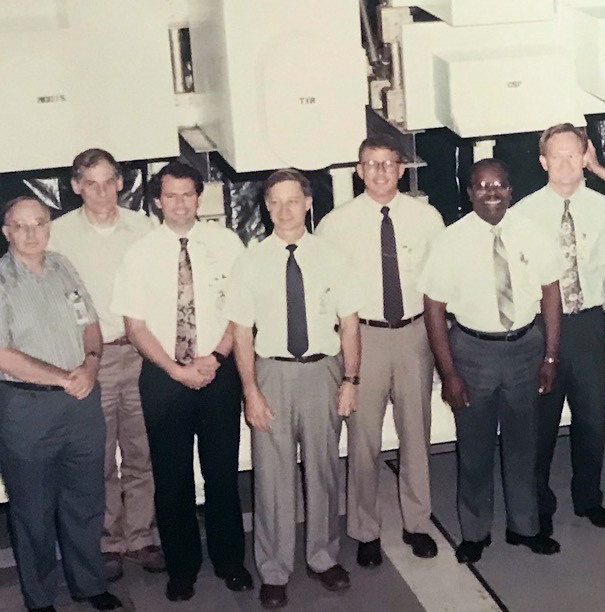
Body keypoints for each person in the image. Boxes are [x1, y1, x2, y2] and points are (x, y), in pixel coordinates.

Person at [0, 196, 123, 612]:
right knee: (33, 512)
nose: (32, 233)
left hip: (81, 403)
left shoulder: (62, 268)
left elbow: (91, 325)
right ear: (6, 232)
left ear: (49, 225)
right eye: (21, 226)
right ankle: (39, 598)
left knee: (86, 501)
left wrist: (90, 365)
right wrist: (64, 378)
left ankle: (89, 584)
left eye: (39, 223)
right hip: (25, 410)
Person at [111, 161, 252, 603]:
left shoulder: (227, 244)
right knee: (172, 479)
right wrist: (175, 370)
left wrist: (216, 357)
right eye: (169, 196)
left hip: (217, 370)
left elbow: (240, 309)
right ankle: (183, 568)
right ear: (157, 201)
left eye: (187, 194)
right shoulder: (140, 252)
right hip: (163, 377)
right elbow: (134, 324)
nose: (179, 204)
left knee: (222, 473)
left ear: (200, 196)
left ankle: (231, 561)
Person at [227, 169, 360, 610]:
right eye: (275, 202)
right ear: (266, 207)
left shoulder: (333, 256)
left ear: (307, 203)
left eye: (292, 201)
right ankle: (274, 569)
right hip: (272, 375)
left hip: (322, 372)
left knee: (323, 469)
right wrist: (250, 391)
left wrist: (350, 380)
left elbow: (351, 324)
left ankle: (323, 558)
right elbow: (242, 333)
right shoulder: (250, 262)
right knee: (272, 477)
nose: (284, 210)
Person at [423, 159, 562, 564]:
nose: (491, 193)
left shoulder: (532, 233)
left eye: (499, 185)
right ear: (469, 193)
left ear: (511, 190)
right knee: (476, 448)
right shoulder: (450, 241)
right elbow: (433, 308)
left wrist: (550, 356)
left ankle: (525, 527)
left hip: (525, 349)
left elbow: (551, 293)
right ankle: (474, 532)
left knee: (524, 445)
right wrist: (449, 373)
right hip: (473, 352)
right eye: (482, 186)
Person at [315, 134, 445, 565]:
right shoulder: (335, 224)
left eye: (389, 164)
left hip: (413, 336)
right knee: (363, 439)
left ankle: (417, 524)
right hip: (362, 339)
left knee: (415, 435)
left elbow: (439, 284)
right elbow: (324, 292)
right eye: (371, 164)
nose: (380, 172)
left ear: (403, 169)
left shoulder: (427, 218)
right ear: (358, 170)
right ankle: (365, 530)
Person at [48, 148, 162, 581]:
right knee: (98, 456)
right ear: (76, 186)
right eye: (89, 183)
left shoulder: (144, 229)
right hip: (90, 359)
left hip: (140, 354)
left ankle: (142, 536)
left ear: (121, 182)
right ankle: (108, 541)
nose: (100, 192)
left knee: (142, 450)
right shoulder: (57, 235)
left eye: (108, 181)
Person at [510, 124, 605, 536]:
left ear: (586, 155)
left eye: (574, 154)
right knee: (541, 423)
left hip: (589, 322)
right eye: (557, 156)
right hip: (541, 329)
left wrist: (602, 170)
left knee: (592, 419)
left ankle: (589, 499)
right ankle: (538, 504)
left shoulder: (604, 208)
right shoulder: (523, 214)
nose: (567, 163)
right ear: (543, 163)